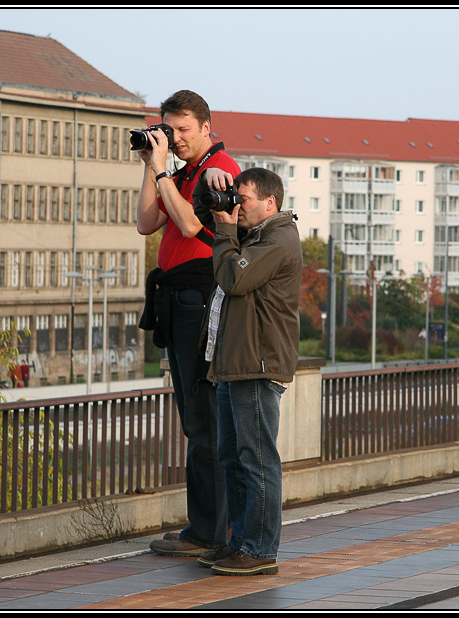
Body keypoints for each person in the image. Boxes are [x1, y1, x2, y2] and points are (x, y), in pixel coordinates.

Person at [137, 90, 240, 557]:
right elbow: (144, 224)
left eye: (183, 130)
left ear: (205, 128)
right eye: (168, 129)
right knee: (195, 421)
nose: (174, 138)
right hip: (176, 299)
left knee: (205, 422)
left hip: (199, 298)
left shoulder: (222, 171)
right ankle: (206, 528)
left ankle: (210, 533)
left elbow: (194, 228)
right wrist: (150, 165)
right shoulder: (181, 173)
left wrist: (163, 172)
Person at [198, 167, 301, 576]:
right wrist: (212, 186)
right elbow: (203, 223)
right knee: (232, 459)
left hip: (256, 365)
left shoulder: (278, 239)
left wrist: (226, 231)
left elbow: (234, 277)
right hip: (234, 363)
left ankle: (260, 550)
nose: (236, 208)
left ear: (270, 202)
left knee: (257, 460)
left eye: (244, 200)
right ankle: (240, 541)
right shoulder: (255, 236)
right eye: (235, 199)